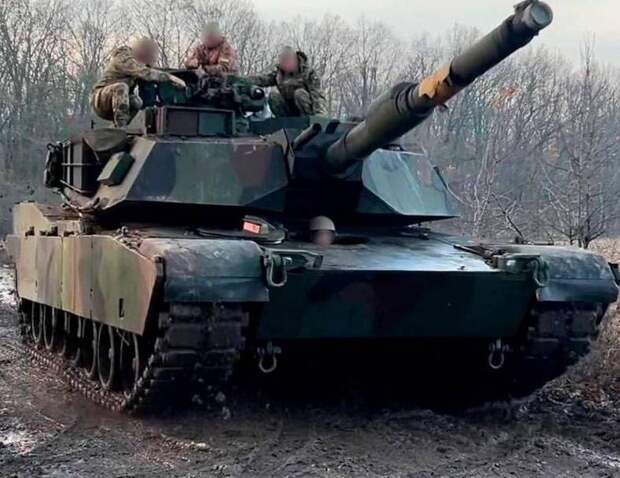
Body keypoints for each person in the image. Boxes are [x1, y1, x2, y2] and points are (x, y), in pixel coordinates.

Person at [90, 37, 186, 127]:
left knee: (137, 102)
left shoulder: (139, 65)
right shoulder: (124, 58)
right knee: (121, 87)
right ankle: (120, 127)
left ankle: (117, 127)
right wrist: (170, 77)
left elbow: (151, 71)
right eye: (147, 57)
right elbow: (144, 72)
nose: (146, 62)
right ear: (142, 51)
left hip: (115, 103)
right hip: (99, 100)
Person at [250, 46, 326, 117]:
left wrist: (319, 115)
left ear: (295, 61)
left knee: (299, 93)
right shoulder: (279, 74)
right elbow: (263, 79)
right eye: (283, 62)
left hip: (305, 108)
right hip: (287, 109)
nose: (285, 65)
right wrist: (247, 80)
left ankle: (306, 119)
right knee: (273, 95)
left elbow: (317, 95)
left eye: (287, 61)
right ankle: (284, 121)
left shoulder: (308, 73)